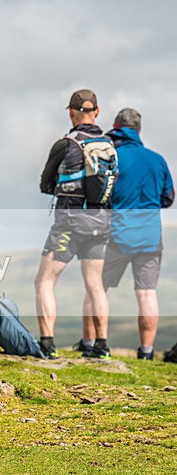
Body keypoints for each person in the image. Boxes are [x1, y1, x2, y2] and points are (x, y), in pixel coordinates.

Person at [79, 108, 174, 360]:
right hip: (150, 237)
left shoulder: (114, 158)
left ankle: (90, 344)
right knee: (146, 293)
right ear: (138, 130)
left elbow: (102, 195)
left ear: (117, 126)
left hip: (117, 236)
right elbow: (168, 198)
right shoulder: (158, 160)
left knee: (97, 288)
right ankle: (146, 352)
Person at [35, 89, 112, 359]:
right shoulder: (110, 145)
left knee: (45, 281)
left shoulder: (65, 144)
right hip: (100, 223)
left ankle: (47, 344)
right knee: (95, 284)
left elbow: (45, 183)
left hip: (68, 223)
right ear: (98, 113)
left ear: (71, 112)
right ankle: (101, 346)